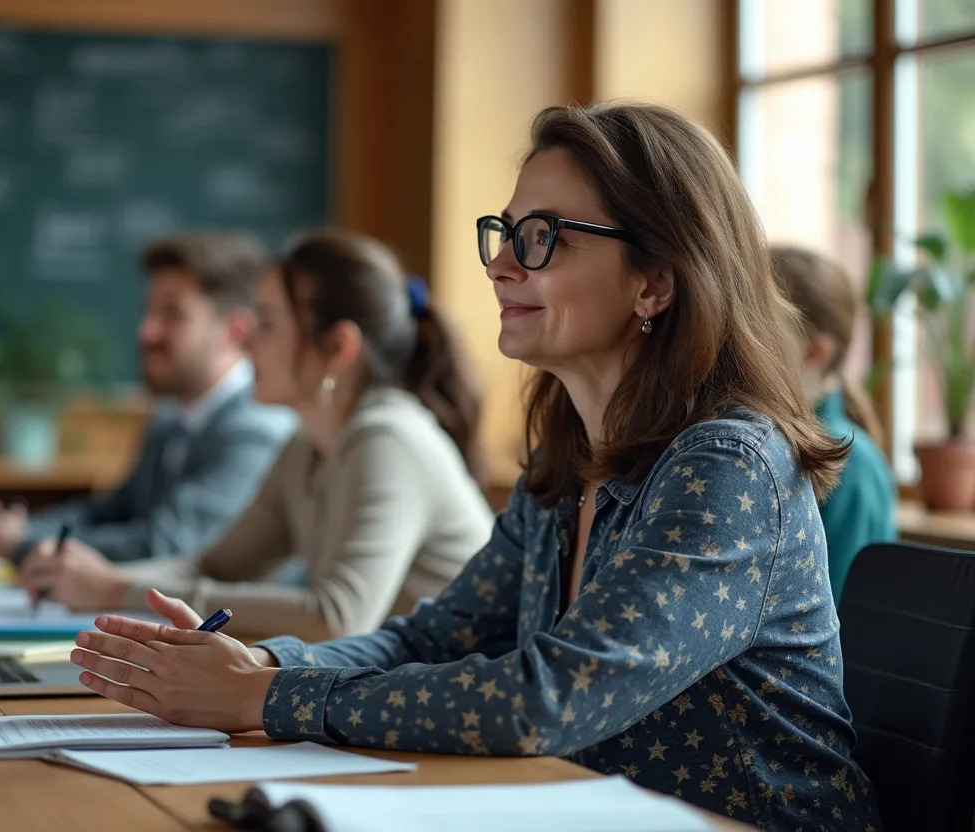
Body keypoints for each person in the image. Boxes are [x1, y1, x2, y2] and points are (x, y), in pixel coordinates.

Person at [64, 103, 881, 831]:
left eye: (543, 238)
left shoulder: (729, 466)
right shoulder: (569, 461)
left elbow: (548, 698)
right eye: (507, 231)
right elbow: (432, 638)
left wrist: (264, 697)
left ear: (656, 283)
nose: (500, 265)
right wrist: (266, 663)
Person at [17, 230, 495, 641]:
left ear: (338, 348)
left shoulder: (387, 439)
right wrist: (90, 578)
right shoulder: (306, 447)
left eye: (266, 322)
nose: (244, 341)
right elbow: (213, 567)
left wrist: (114, 591)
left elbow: (337, 618)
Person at [0, 233, 296, 565]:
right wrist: (18, 526)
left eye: (172, 314)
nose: (146, 330)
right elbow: (109, 513)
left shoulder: (255, 430)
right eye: (149, 311)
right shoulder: (168, 420)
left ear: (235, 331)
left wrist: (22, 543)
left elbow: (164, 544)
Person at [772, 245, 897, 602]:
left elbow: (837, 615)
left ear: (814, 352)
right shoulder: (777, 442)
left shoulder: (848, 461)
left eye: (761, 323)